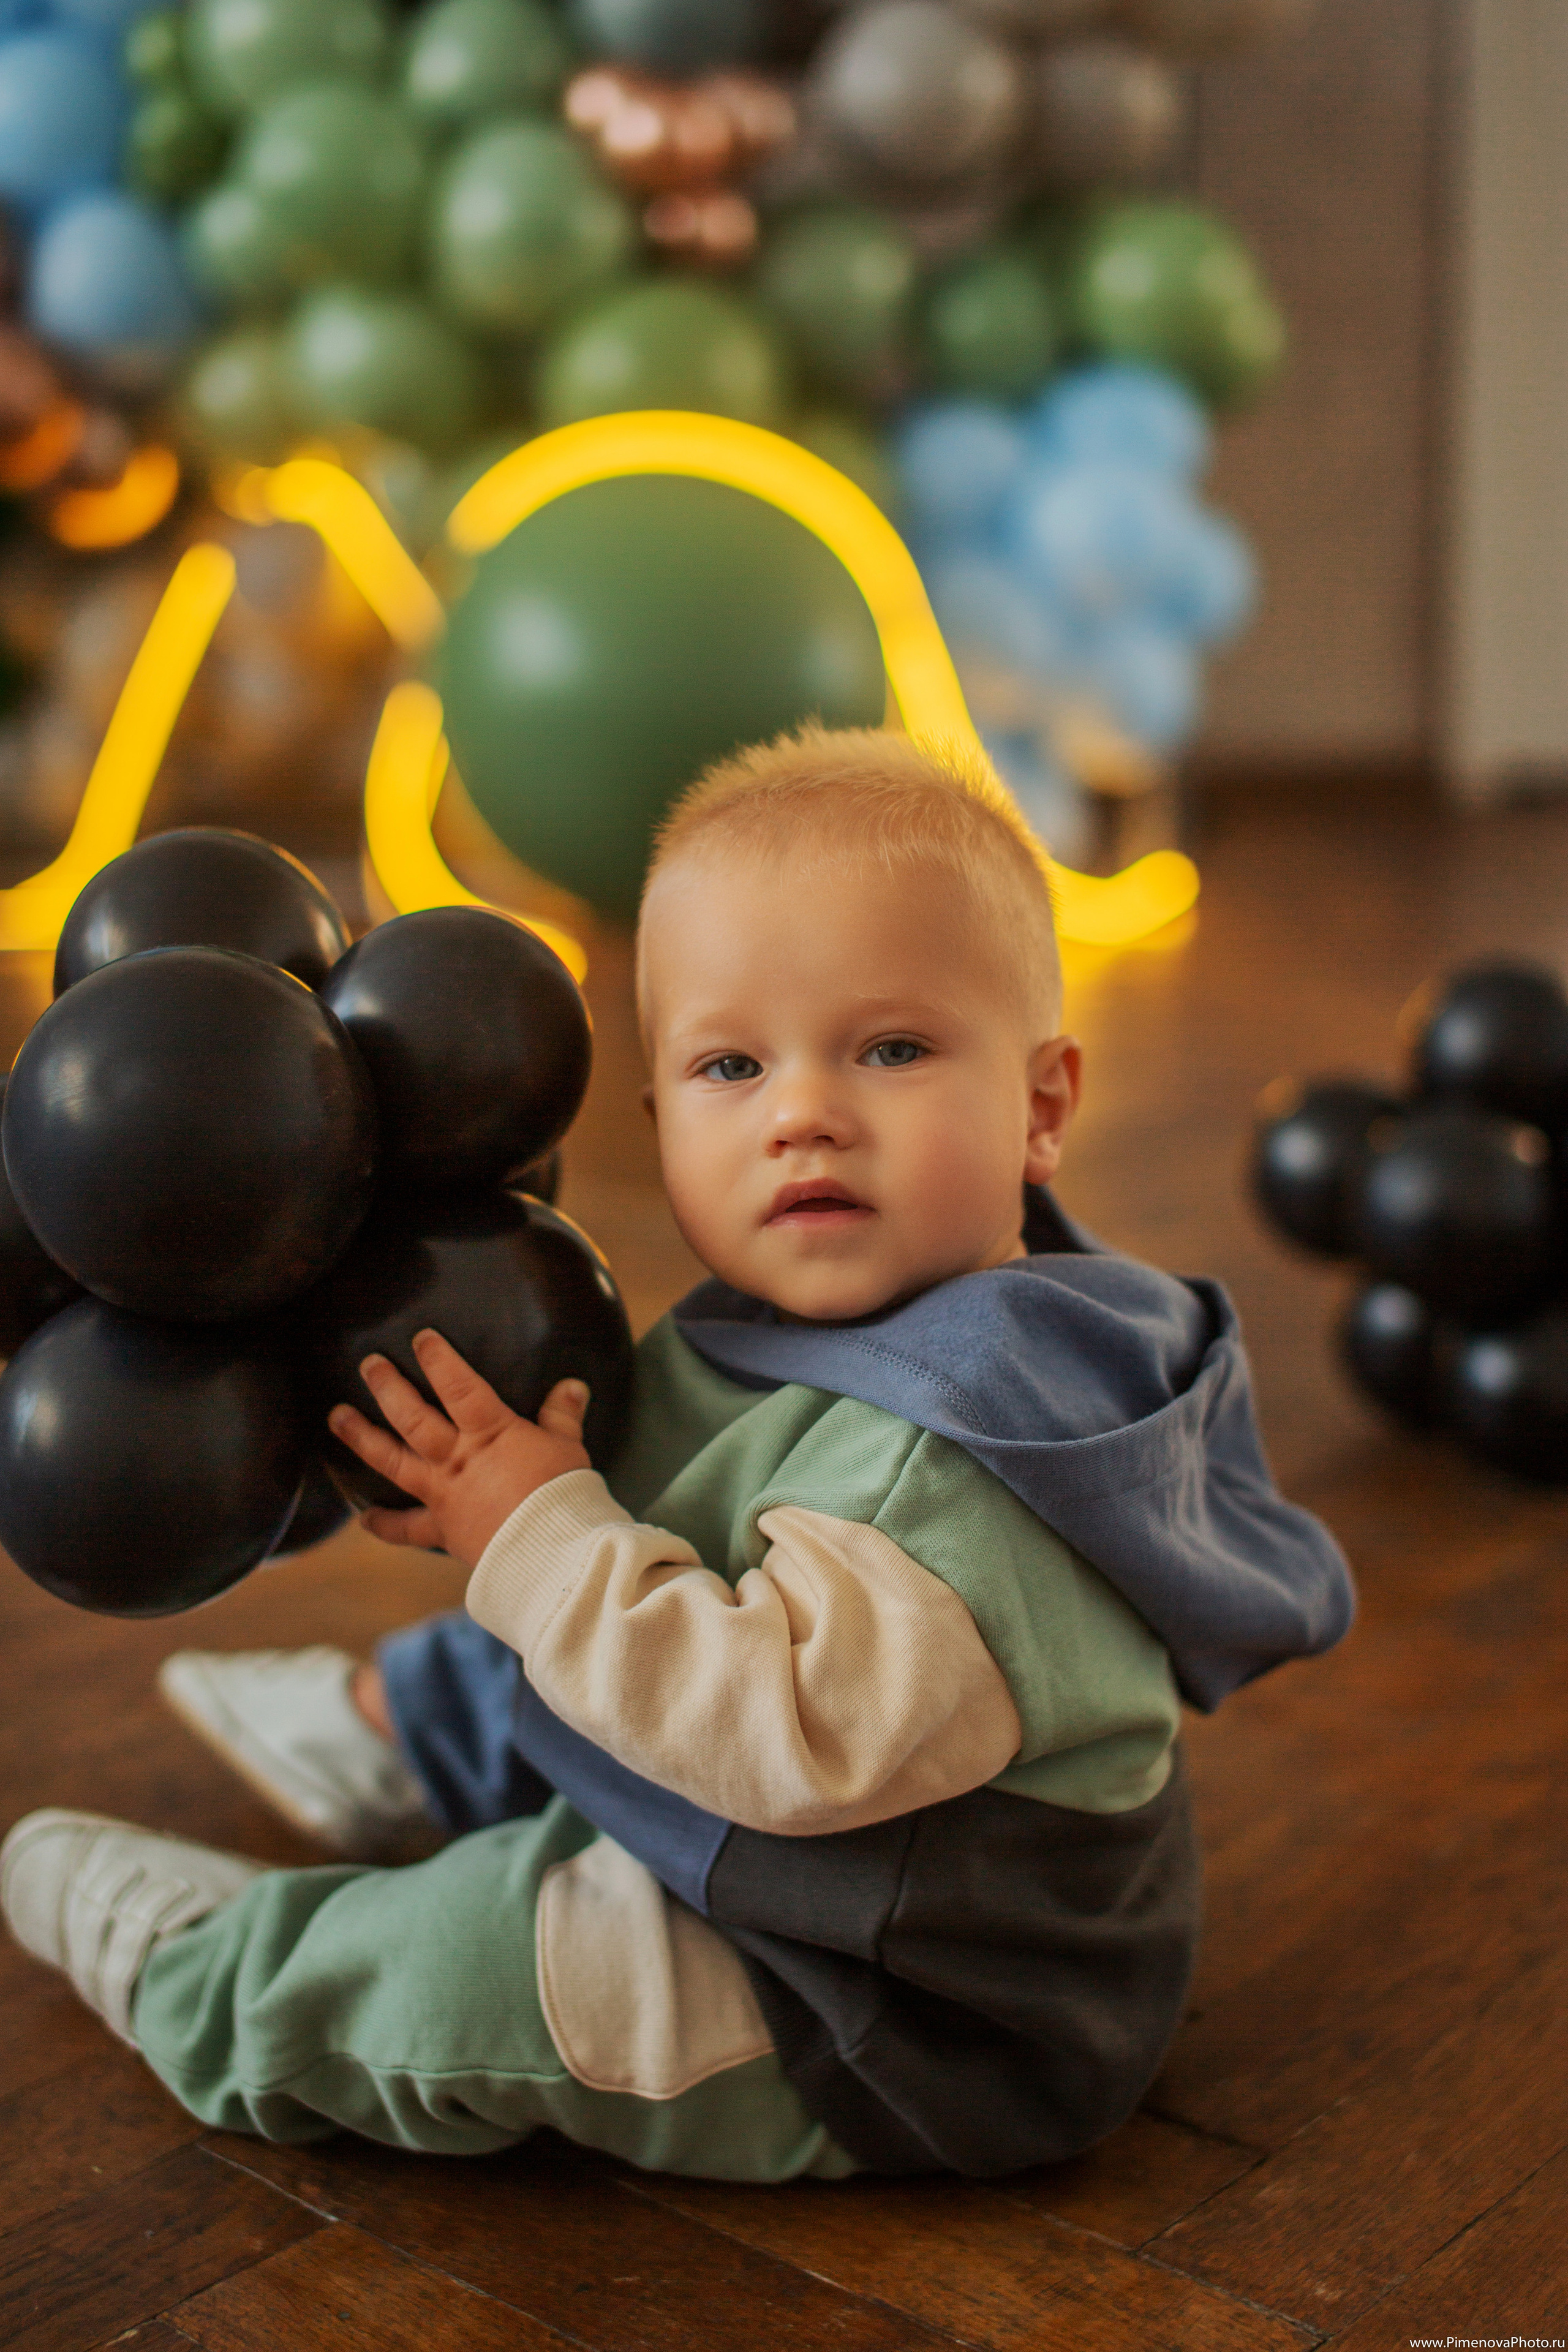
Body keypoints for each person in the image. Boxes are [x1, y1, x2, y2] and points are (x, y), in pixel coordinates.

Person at [1, 724, 1354, 2180]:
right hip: (825, 1878)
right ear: (658, 1125)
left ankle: (225, 1982)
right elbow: (666, 1529)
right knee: (608, 1563)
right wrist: (504, 1495)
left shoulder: (967, 1462)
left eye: (889, 1048)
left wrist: (533, 1534)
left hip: (894, 2011)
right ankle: (415, 1734)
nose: (802, 1114)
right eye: (728, 1065)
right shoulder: (829, 1316)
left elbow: (783, 1738)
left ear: (1039, 1106)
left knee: (493, 1962)